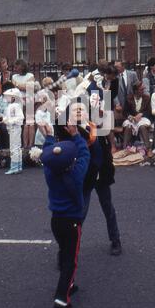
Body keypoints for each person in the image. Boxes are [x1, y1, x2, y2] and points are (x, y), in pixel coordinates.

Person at [56, 100, 122, 256]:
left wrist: (108, 169)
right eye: (75, 110)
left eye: (81, 109)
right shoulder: (69, 132)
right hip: (84, 177)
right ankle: (67, 249)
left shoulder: (96, 128)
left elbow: (105, 152)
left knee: (108, 209)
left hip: (102, 175)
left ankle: (116, 240)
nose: (79, 112)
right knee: (79, 214)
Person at [40, 123, 90, 308]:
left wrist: (49, 137)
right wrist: (76, 135)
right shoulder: (76, 175)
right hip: (72, 222)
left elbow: (48, 155)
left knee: (65, 251)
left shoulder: (50, 173)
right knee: (71, 261)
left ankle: (69, 284)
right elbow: (85, 155)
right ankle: (62, 298)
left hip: (56, 221)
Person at [122, 81, 153, 156]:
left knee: (142, 127)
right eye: (141, 89)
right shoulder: (129, 98)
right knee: (128, 127)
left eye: (143, 89)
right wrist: (130, 117)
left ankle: (148, 149)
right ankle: (124, 148)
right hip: (132, 119)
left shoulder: (147, 98)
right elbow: (125, 112)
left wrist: (141, 114)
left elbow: (149, 112)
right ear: (136, 90)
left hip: (143, 118)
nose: (143, 91)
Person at [3, 88, 24, 175]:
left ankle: (15, 167)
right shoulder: (12, 105)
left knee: (14, 148)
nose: (6, 98)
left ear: (13, 97)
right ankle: (18, 166)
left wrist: (9, 121)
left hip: (15, 128)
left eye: (8, 96)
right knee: (17, 147)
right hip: (13, 128)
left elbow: (20, 117)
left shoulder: (15, 106)